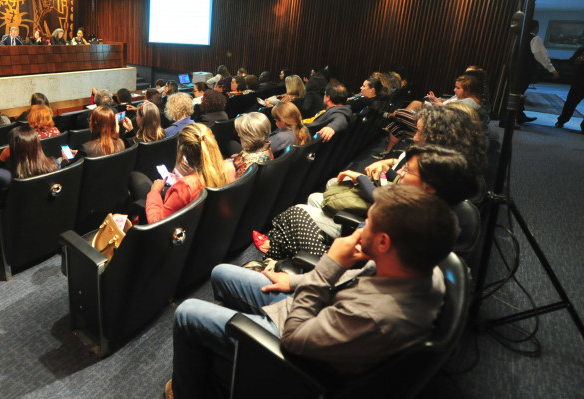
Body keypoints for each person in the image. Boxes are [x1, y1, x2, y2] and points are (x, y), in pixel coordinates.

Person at [166, 185, 457, 399]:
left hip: (294, 340)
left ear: (383, 242)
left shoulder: (376, 317)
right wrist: (294, 282)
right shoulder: (415, 265)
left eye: (368, 222)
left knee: (188, 313)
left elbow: (294, 337)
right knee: (222, 273)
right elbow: (348, 282)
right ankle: (226, 366)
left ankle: (186, 390)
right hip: (317, 308)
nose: (360, 227)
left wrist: (331, 262)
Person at [258, 144, 477, 259]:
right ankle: (276, 250)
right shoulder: (427, 211)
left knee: (295, 211)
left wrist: (327, 267)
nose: (400, 172)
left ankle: (276, 249)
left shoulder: (406, 224)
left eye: (408, 170)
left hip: (338, 271)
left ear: (429, 187)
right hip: (351, 260)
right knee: (306, 207)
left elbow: (358, 267)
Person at [143, 123, 235, 224]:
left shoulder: (185, 187)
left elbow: (156, 222)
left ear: (184, 154)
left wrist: (155, 192)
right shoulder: (228, 168)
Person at [0, 126, 58, 204]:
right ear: (38, 145)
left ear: (12, 148)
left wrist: (0, 161)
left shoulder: (4, 175)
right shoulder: (54, 164)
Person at [556, 28, 584, 134]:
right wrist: (579, 60)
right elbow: (572, 61)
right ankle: (562, 120)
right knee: (572, 100)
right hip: (581, 78)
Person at [231, 112, 273, 177]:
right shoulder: (265, 145)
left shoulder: (250, 164)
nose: (238, 135)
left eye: (241, 132)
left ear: (251, 135)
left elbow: (236, 182)